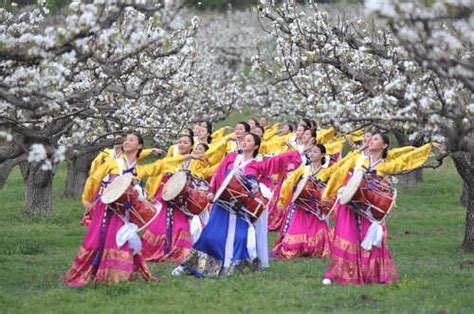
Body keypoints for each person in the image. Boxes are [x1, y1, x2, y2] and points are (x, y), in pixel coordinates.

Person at [64, 133, 189, 287]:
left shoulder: (138, 169)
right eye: (126, 140)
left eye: (131, 140)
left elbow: (163, 164)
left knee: (120, 239)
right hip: (107, 207)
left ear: (139, 146)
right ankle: (92, 272)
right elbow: (94, 179)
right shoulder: (112, 163)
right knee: (97, 238)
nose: (126, 142)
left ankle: (117, 274)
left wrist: (189, 156)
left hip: (124, 210)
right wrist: (87, 199)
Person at [173, 133, 304, 278]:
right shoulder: (230, 157)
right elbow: (218, 175)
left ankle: (235, 266)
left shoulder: (257, 164)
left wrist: (301, 152)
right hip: (222, 204)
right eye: (243, 140)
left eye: (249, 140)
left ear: (255, 146)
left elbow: (277, 161)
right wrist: (211, 192)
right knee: (211, 236)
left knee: (241, 237)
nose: (244, 142)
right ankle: (192, 266)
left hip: (241, 208)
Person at [320, 133, 443, 285]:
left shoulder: (384, 165)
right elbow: (339, 172)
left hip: (369, 208)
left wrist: (428, 147)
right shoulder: (358, 158)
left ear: (384, 145)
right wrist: (329, 194)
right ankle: (340, 273)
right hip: (350, 204)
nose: (371, 141)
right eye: (371, 139)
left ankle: (372, 274)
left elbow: (405, 160)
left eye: (375, 139)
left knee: (370, 239)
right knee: (348, 237)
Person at [141, 135, 226, 264]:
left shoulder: (196, 161)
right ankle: (155, 249)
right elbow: (157, 176)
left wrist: (224, 157)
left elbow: (207, 169)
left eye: (185, 143)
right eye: (179, 142)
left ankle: (178, 250)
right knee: (158, 225)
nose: (181, 144)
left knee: (181, 225)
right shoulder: (170, 161)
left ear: (192, 146)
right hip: (166, 196)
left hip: (183, 200)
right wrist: (152, 194)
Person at [271, 144, 334, 259]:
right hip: (301, 206)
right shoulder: (304, 169)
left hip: (316, 208)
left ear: (322, 155)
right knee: (296, 232)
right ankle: (298, 247)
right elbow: (289, 182)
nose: (312, 154)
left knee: (318, 230)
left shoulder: (327, 172)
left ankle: (313, 248)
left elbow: (331, 187)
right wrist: (282, 200)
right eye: (310, 152)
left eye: (315, 152)